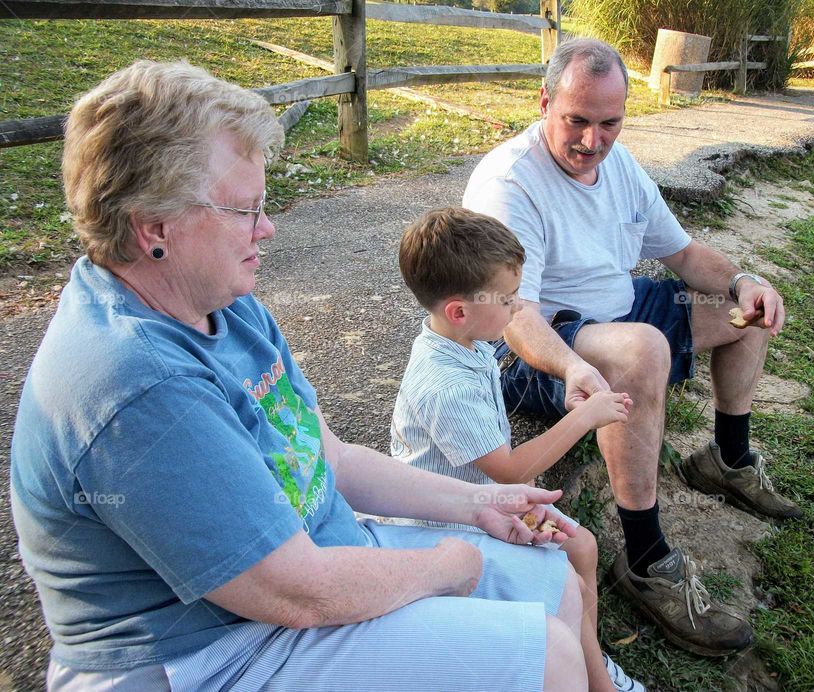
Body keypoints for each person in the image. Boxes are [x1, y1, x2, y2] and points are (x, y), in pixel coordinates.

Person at [10, 60, 593, 692]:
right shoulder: (138, 385)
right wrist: (446, 565)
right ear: (155, 227)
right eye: (245, 209)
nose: (268, 227)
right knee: (545, 657)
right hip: (214, 652)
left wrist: (481, 503)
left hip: (307, 570)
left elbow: (330, 460)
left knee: (554, 584)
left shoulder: (224, 305)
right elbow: (295, 592)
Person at [463, 37, 801, 657]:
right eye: (577, 122)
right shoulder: (508, 183)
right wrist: (574, 367)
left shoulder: (619, 165)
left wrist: (742, 280)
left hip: (622, 307)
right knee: (641, 350)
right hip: (539, 345)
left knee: (746, 313)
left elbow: (685, 253)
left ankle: (726, 459)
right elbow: (511, 316)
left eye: (610, 123)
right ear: (544, 103)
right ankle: (645, 559)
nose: (594, 142)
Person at [391, 207, 642, 692]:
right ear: (460, 310)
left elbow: (503, 468)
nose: (518, 306)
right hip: (449, 520)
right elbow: (509, 470)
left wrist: (570, 376)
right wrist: (583, 419)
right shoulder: (444, 386)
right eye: (507, 299)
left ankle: (592, 663)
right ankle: (597, 679)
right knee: (559, 563)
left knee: (583, 547)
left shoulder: (467, 340)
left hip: (484, 497)